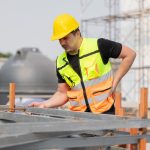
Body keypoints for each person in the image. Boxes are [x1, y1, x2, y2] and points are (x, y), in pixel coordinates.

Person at [29, 13, 136, 114]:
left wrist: (115, 82)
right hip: (79, 119)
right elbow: (62, 93)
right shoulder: (60, 62)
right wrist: (44, 104)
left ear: (77, 33)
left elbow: (130, 55)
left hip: (105, 115)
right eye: (59, 39)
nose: (62, 43)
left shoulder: (99, 46)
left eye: (65, 38)